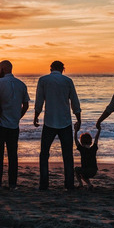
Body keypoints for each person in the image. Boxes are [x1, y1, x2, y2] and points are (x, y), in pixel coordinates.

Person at [34, 60, 81, 191]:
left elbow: (39, 100)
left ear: (50, 68)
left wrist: (36, 116)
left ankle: (44, 184)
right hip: (65, 121)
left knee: (44, 154)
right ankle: (69, 184)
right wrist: (78, 118)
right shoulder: (68, 81)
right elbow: (74, 101)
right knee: (67, 155)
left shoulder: (43, 80)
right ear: (63, 69)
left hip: (49, 121)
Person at [0, 60, 29, 189]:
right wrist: (18, 116)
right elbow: (26, 105)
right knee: (13, 155)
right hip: (14, 124)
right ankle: (12, 184)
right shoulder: (21, 84)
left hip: (0, 124)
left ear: (3, 68)